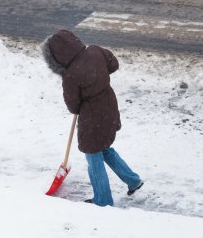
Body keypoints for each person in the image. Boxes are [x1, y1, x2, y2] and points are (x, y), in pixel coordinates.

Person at [41, 29, 143, 206]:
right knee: (104, 148)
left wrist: (84, 97)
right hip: (109, 107)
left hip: (92, 118)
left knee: (92, 155)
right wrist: (98, 78)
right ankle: (133, 180)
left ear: (57, 57)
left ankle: (103, 199)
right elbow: (113, 64)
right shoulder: (95, 51)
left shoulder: (70, 75)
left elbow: (73, 106)